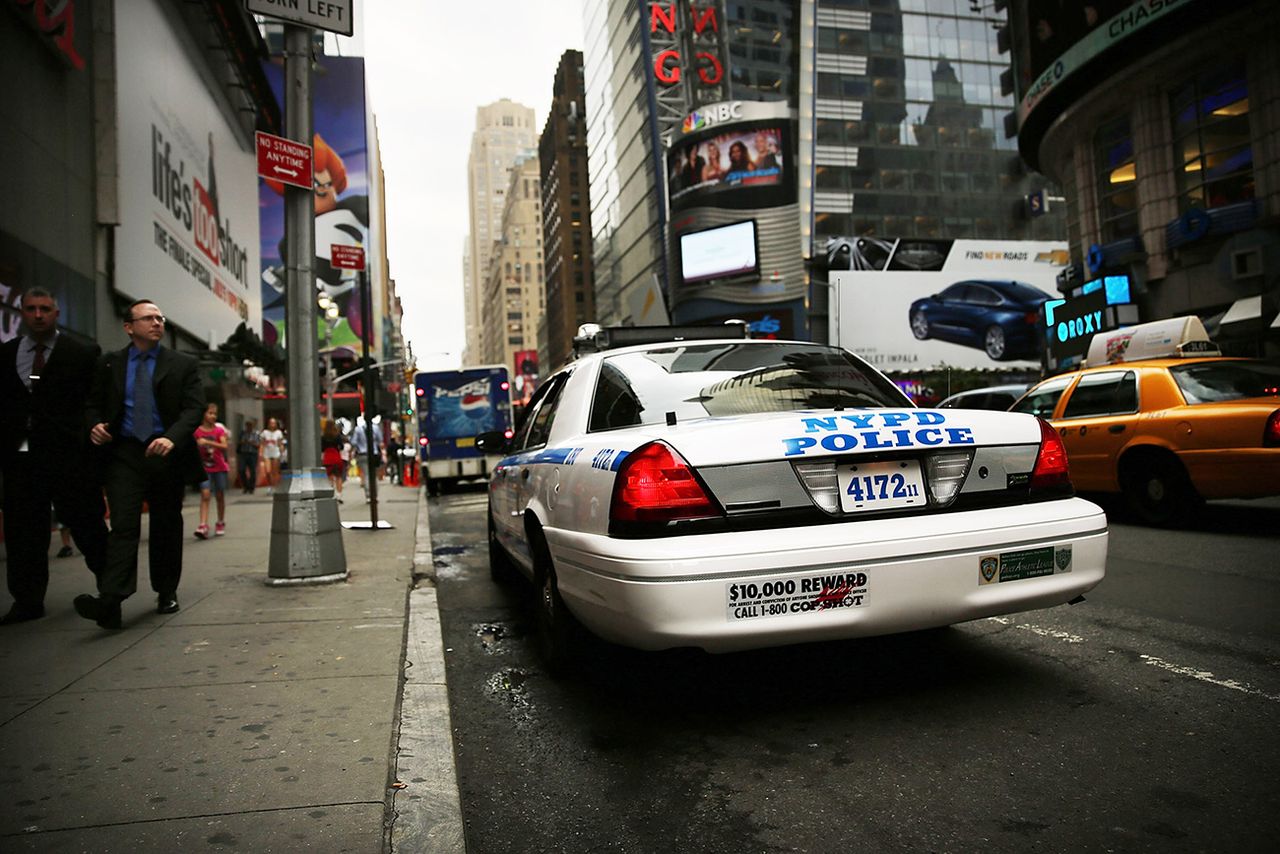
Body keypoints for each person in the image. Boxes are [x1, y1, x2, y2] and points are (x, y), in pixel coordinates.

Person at [73, 299, 205, 630]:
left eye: (160, 318)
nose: (157, 323)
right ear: (129, 327)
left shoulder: (182, 364)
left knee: (165, 524)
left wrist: (172, 438)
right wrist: (95, 424)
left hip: (164, 453)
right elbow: (91, 403)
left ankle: (166, 590)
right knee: (124, 525)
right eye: (148, 318)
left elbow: (194, 408)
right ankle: (111, 600)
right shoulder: (109, 364)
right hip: (124, 454)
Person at [0, 287, 109, 624]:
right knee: (23, 531)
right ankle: (27, 600)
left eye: (44, 308)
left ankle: (111, 590)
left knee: (87, 523)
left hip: (69, 458)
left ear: (56, 313)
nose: (38, 315)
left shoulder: (83, 353)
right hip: (20, 459)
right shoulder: (6, 355)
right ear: (21, 313)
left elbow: (95, 403)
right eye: (31, 309)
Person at [194, 403, 229, 539]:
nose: (213, 416)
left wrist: (208, 443)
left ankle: (220, 521)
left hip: (219, 467)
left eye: (215, 414)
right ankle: (203, 524)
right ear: (203, 414)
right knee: (205, 494)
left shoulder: (218, 431)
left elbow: (224, 445)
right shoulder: (197, 432)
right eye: (210, 413)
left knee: (219, 495)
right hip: (204, 468)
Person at [349, 416, 382, 501]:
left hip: (362, 454)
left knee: (366, 475)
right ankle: (375, 495)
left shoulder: (358, 429)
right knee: (374, 476)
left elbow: (353, 442)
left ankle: (368, 495)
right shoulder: (375, 428)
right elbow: (380, 440)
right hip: (374, 454)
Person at [320, 419, 346, 502]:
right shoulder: (337, 436)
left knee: (330, 477)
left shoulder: (323, 437)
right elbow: (341, 447)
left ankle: (332, 493)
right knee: (338, 477)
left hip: (327, 458)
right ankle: (339, 495)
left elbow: (322, 449)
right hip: (336, 457)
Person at [259, 417, 285, 492]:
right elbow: (262, 444)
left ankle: (275, 486)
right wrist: (260, 453)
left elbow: (280, 443)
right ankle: (270, 485)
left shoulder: (278, 433)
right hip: (267, 453)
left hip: (275, 453)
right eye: (271, 423)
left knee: (275, 471)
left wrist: (282, 451)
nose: (272, 424)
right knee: (268, 471)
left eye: (273, 423)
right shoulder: (265, 432)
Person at [236, 418, 261, 493]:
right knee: (241, 470)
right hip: (243, 453)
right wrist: (243, 442)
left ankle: (251, 487)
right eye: (247, 425)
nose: (248, 427)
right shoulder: (242, 433)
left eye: (250, 425)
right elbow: (239, 442)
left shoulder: (256, 434)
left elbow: (258, 445)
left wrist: (252, 443)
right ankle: (245, 486)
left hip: (252, 453)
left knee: (253, 471)